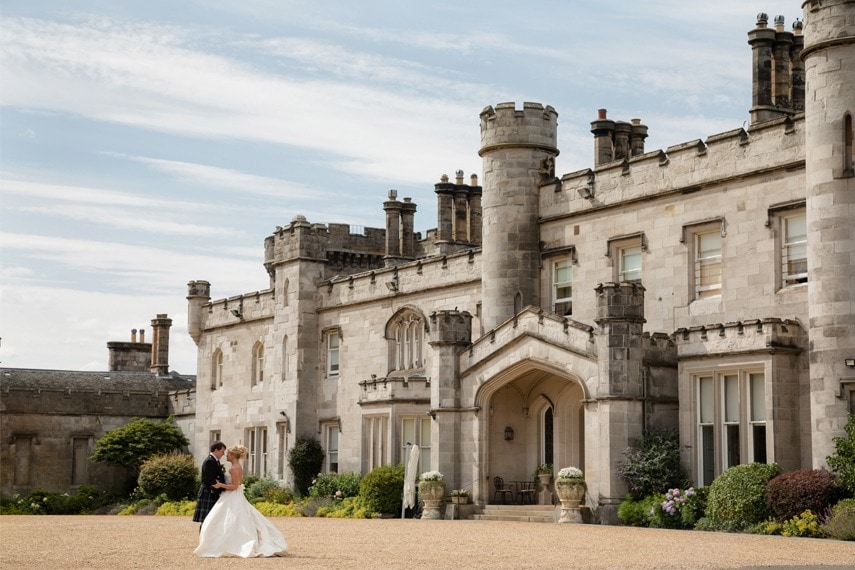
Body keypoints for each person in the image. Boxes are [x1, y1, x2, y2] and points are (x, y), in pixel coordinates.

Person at [194, 444, 288, 558]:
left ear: (233, 455)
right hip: (229, 496)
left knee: (227, 520)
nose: (226, 455)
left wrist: (220, 485)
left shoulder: (234, 468)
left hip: (232, 495)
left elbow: (235, 486)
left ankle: (228, 544)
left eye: (227, 453)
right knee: (223, 520)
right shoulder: (234, 466)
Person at [192, 441, 226, 527]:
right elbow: (209, 479)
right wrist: (221, 487)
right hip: (209, 491)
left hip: (212, 492)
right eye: (222, 451)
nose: (223, 454)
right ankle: (203, 538)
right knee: (206, 519)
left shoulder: (215, 461)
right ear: (216, 450)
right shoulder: (209, 461)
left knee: (211, 518)